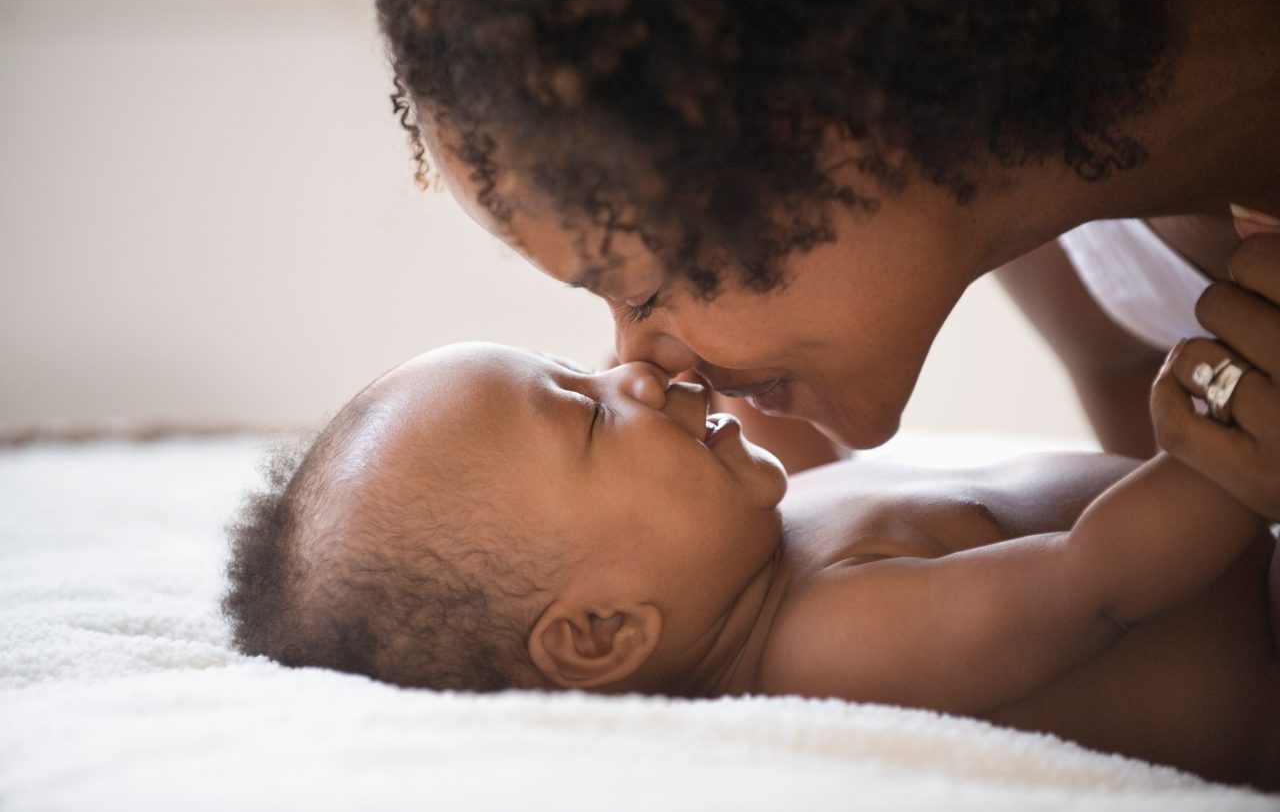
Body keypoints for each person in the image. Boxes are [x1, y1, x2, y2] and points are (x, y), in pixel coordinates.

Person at [373, 0, 1280, 515]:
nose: (645, 366)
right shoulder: (1032, 190)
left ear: (825, 100)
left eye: (646, 289)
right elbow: (1141, 401)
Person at [222, 343, 1279, 788]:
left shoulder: (752, 539)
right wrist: (1220, 461)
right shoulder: (826, 640)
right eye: (592, 412)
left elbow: (795, 415)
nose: (631, 371)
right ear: (600, 633)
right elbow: (1091, 582)